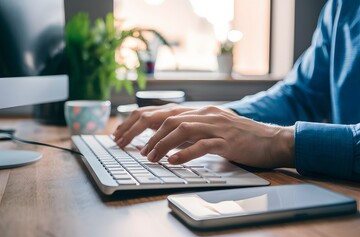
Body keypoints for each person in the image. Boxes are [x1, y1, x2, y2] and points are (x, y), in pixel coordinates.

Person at [113, 0, 360, 181]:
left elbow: (283, 129)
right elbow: (300, 95)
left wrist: (281, 143)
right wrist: (217, 119)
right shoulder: (342, 6)